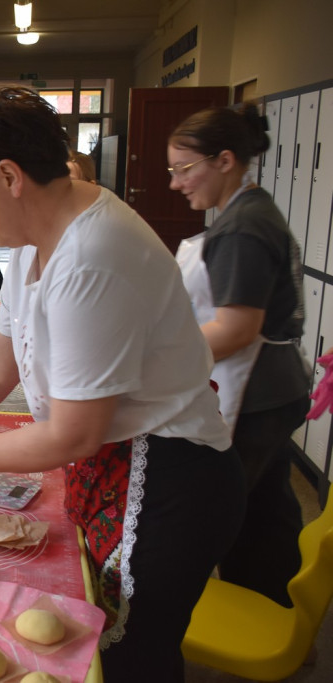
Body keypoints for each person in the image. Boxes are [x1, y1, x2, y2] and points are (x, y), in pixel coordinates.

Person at [0, 88, 245, 682]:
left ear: (10, 176)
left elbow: (73, 432)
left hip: (170, 477)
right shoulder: (26, 242)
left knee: (133, 659)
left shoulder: (93, 256)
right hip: (112, 459)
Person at [169, 102, 311, 607]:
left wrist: (156, 359)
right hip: (277, 389)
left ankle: (258, 610)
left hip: (257, 393)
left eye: (184, 169)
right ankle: (278, 602)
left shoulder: (243, 227)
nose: (175, 183)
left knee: (225, 506)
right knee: (266, 506)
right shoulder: (248, 210)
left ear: (225, 160)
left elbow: (234, 330)